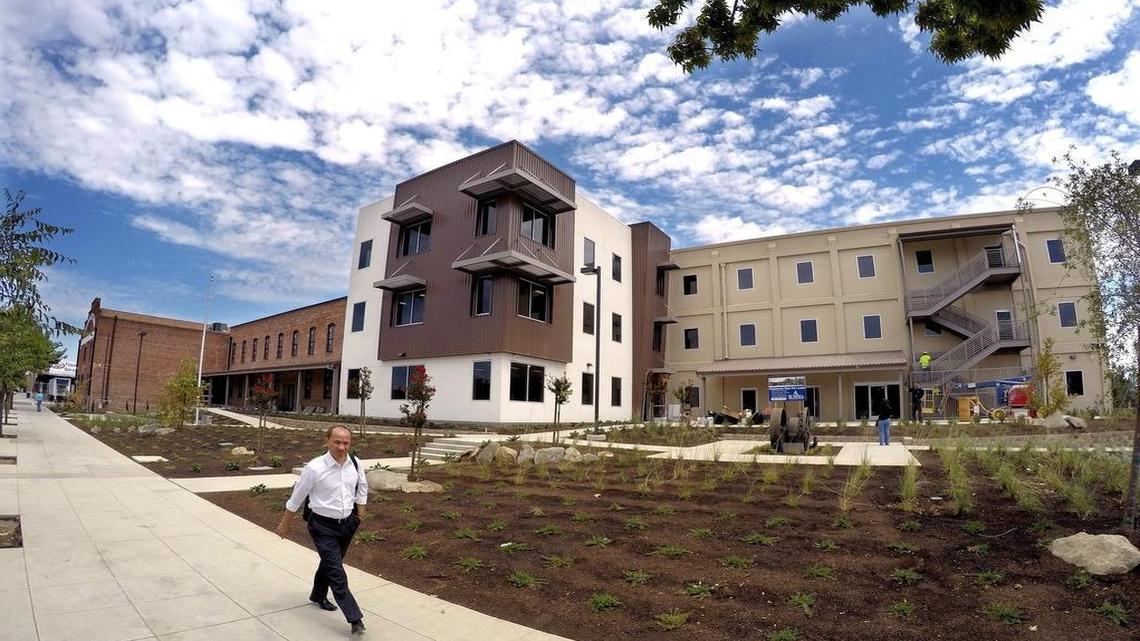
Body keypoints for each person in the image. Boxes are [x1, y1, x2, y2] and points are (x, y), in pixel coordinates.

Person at [277, 425, 368, 636]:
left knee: (330, 562)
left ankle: (318, 595)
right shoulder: (315, 467)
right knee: (336, 571)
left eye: (346, 443)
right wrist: (285, 523)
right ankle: (355, 619)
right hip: (322, 526)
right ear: (326, 441)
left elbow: (362, 488)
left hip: (347, 524)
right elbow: (297, 496)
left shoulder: (355, 463)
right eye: (337, 442)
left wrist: (359, 516)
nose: (341, 447)